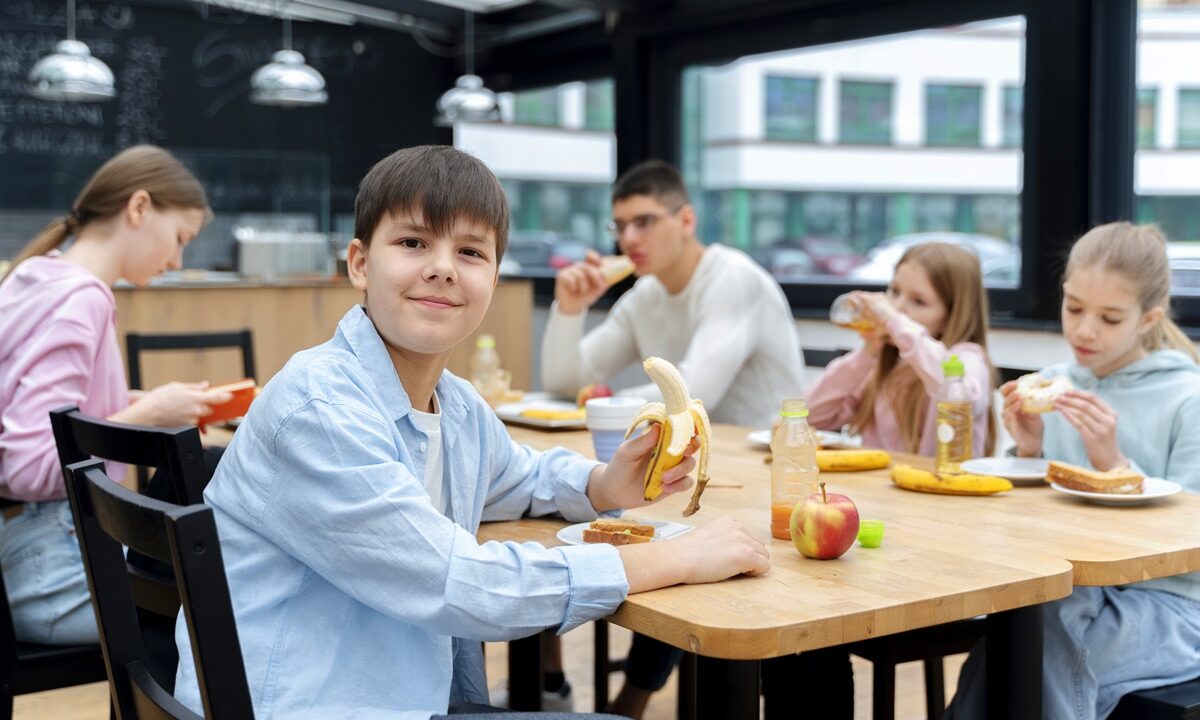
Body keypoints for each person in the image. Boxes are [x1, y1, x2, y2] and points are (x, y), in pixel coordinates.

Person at [171, 145, 771, 720]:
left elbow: (520, 476)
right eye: (412, 243)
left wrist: (605, 483)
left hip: (392, 693)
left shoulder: (453, 403)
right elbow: (467, 586)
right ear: (359, 263)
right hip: (300, 705)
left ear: (493, 275)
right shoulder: (320, 406)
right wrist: (680, 555)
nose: (441, 269)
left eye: (470, 252)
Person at [537, 160, 805, 717]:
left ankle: (629, 701)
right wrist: (568, 309)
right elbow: (564, 382)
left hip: (762, 474)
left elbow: (694, 389)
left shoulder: (732, 279)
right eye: (619, 226)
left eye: (644, 222)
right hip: (689, 475)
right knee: (637, 532)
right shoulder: (644, 296)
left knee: (670, 541)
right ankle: (585, 693)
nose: (629, 239)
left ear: (686, 219)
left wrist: (608, 399)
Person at [945, 222, 1200, 720]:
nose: (1084, 330)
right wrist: (1029, 451)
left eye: (1108, 318)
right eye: (1074, 307)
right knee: (1029, 632)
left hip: (1170, 606)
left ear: (1148, 318)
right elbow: (1032, 530)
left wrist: (1116, 467)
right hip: (1068, 595)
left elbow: (1190, 545)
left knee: (1027, 652)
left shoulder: (1188, 398)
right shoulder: (1053, 386)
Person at [0, 146, 230, 659]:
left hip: (31, 553)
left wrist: (130, 404)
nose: (176, 261)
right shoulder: (80, 298)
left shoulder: (34, 277)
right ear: (140, 207)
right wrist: (144, 417)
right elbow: (29, 466)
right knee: (237, 605)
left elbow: (43, 414)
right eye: (179, 239)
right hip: (54, 574)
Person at [806, 242, 997, 457]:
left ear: (951, 316)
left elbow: (960, 399)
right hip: (879, 488)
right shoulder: (881, 365)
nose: (896, 307)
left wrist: (895, 322)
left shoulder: (967, 358)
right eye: (894, 292)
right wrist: (866, 354)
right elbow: (809, 419)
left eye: (918, 301)